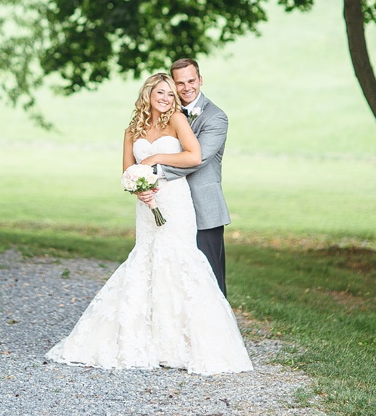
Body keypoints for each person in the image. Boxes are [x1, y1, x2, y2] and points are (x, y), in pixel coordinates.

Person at [45, 72, 253, 375]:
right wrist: (137, 186)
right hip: (146, 205)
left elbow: (195, 157)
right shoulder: (132, 129)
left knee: (179, 259)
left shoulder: (178, 121)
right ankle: (148, 341)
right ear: (148, 95)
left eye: (171, 94)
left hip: (175, 199)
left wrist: (154, 159)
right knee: (145, 259)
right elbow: (127, 170)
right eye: (162, 93)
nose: (168, 98)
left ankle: (189, 343)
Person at [144, 58, 231, 296]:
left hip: (204, 209)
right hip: (173, 206)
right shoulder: (166, 112)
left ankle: (219, 332)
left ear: (200, 80)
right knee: (175, 277)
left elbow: (198, 159)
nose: (186, 88)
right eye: (180, 83)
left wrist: (154, 170)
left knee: (210, 279)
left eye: (191, 81)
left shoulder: (216, 117)